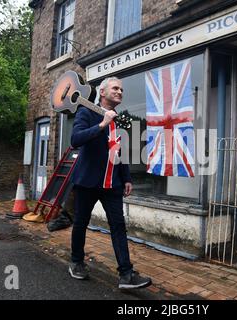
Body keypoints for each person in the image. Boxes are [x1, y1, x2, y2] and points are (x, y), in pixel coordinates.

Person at [68, 76, 152, 289]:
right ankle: (76, 261)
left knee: (118, 226)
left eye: (122, 90)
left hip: (111, 184)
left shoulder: (120, 119)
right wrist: (102, 124)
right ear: (102, 92)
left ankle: (126, 274)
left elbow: (119, 151)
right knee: (80, 223)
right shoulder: (86, 113)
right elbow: (75, 139)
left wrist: (126, 178)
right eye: (115, 88)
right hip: (87, 181)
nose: (120, 92)